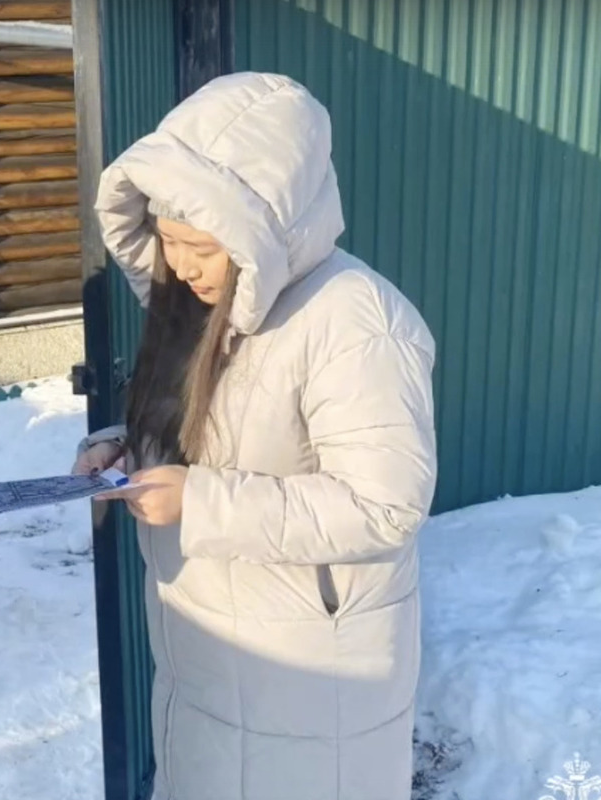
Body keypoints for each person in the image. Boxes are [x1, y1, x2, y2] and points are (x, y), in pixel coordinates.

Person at [74, 72, 438, 800]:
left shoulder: (355, 320)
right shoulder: (208, 306)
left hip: (309, 696)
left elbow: (384, 505)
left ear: (265, 230)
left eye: (199, 245)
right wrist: (132, 447)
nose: (179, 265)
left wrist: (202, 504)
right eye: (167, 241)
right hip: (209, 667)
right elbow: (223, 440)